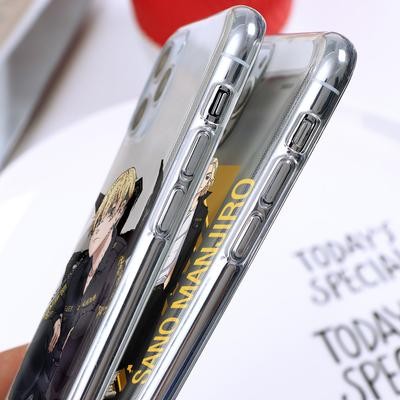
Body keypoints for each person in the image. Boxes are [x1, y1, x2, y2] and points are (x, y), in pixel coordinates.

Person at [8, 168, 140, 400]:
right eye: (99, 216)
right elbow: (53, 307)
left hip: (72, 381)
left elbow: (102, 328)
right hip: (43, 373)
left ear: (119, 213)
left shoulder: (117, 265)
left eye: (108, 214)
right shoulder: (78, 264)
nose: (96, 227)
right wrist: (55, 322)